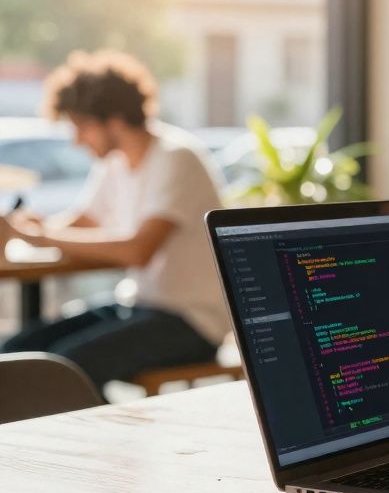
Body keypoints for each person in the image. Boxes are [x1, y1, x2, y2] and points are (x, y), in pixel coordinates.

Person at [0, 50, 228, 392]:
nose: (77, 140)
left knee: (61, 369)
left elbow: (137, 251)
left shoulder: (176, 157)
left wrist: (42, 237)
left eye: (81, 127)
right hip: (136, 304)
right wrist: (29, 227)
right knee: (17, 352)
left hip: (191, 322)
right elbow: (83, 221)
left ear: (115, 120)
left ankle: (93, 426)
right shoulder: (115, 163)